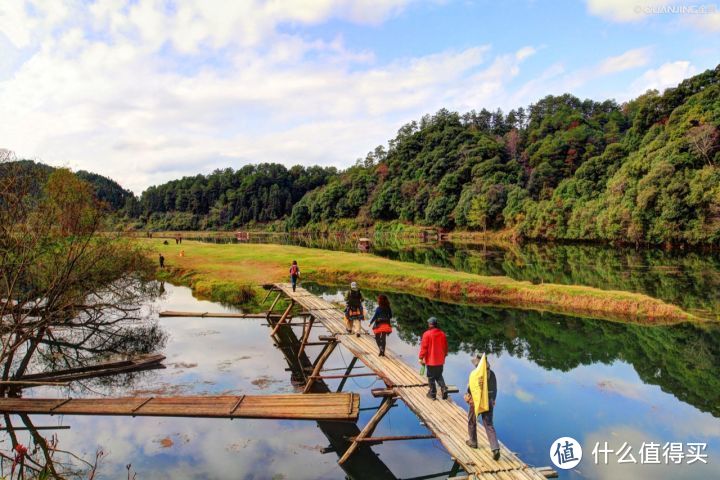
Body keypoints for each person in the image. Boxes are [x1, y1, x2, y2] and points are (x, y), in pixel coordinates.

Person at [465, 356, 500, 460]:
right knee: (489, 424)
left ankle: (473, 442)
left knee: (472, 421)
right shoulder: (492, 373)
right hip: (488, 401)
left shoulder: (475, 374)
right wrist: (493, 399)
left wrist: (468, 396)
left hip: (476, 402)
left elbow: (471, 388)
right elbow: (495, 389)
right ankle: (495, 448)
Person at [418, 317, 448, 400]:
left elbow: (424, 347)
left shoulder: (427, 334)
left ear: (430, 324)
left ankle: (432, 394)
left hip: (431, 360)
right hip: (440, 360)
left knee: (431, 377)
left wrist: (420, 357)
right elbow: (445, 347)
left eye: (428, 323)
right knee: (439, 375)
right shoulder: (442, 333)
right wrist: (444, 355)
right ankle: (444, 388)